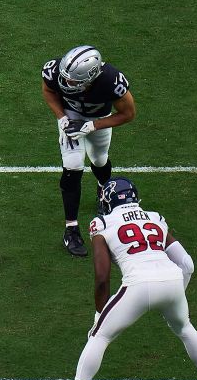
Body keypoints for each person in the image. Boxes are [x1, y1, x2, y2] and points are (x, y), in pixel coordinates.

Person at [57, 178, 197, 380]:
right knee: (185, 328)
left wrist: (98, 315)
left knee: (99, 335)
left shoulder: (102, 223)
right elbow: (187, 264)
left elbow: (103, 276)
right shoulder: (155, 218)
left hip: (138, 285)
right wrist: (177, 294)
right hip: (172, 281)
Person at [41, 45, 137, 257]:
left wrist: (93, 126)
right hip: (71, 116)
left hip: (99, 120)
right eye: (65, 78)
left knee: (100, 159)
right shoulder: (55, 71)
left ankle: (104, 191)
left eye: (73, 81)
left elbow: (128, 113)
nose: (66, 83)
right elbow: (48, 90)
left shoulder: (112, 81)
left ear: (91, 77)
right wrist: (62, 117)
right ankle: (71, 229)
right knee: (73, 166)